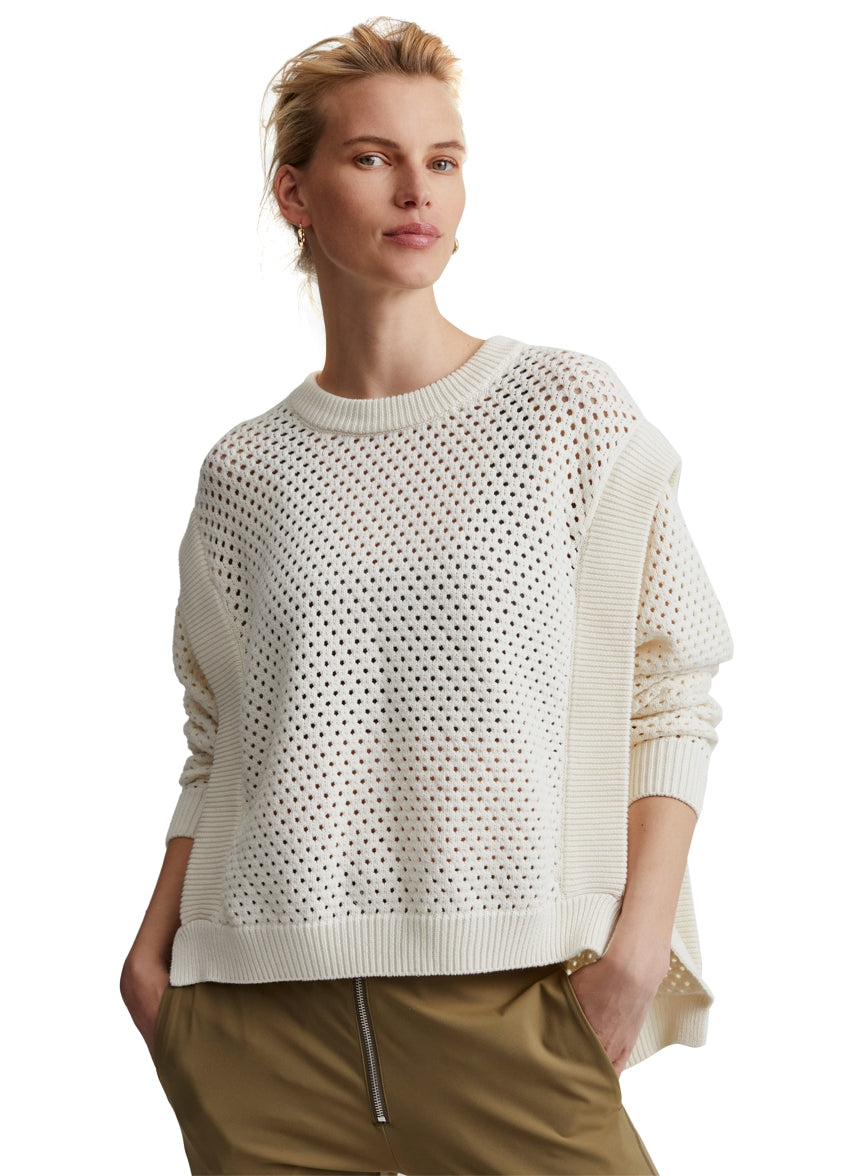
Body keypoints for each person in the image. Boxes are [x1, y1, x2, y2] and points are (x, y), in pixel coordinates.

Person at [120, 17, 733, 1176]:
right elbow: (219, 743)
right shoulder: (244, 473)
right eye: (372, 157)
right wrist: (150, 967)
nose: (417, 191)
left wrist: (633, 955)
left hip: (508, 1004)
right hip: (258, 1029)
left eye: (441, 160)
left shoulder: (565, 413)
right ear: (294, 193)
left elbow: (670, 691)